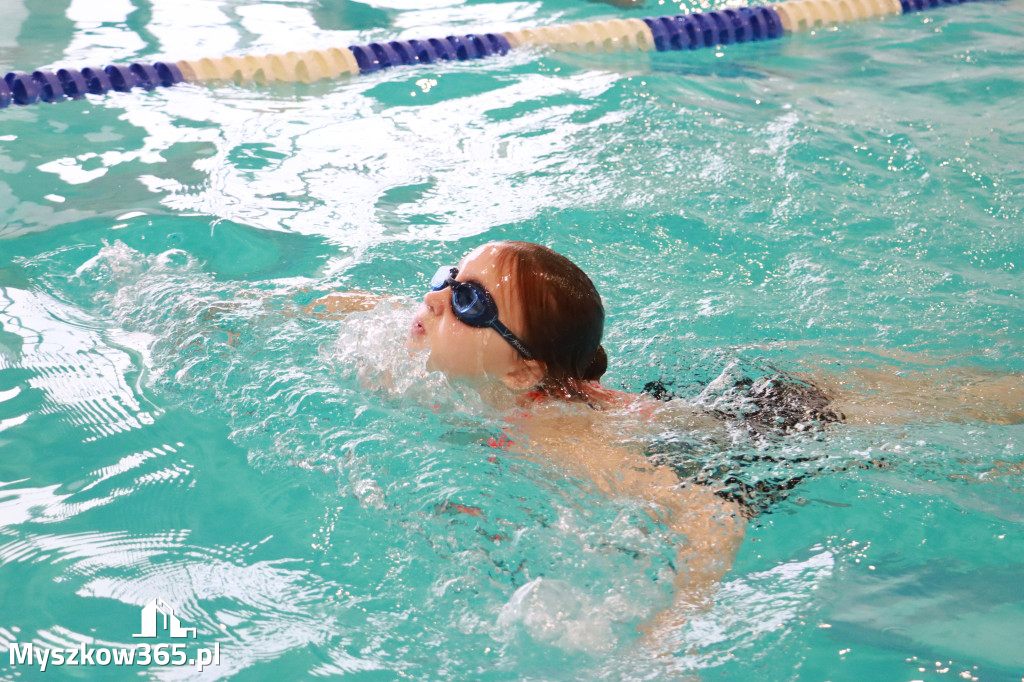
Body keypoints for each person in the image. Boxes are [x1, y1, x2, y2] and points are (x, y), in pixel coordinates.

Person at [308, 239, 1023, 643]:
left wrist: (668, 630)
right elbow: (351, 309)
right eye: (448, 277)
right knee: (964, 397)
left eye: (469, 302)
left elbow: (710, 514)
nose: (434, 298)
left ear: (523, 369)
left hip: (763, 436)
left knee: (962, 424)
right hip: (702, 407)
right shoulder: (468, 363)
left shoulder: (551, 433)